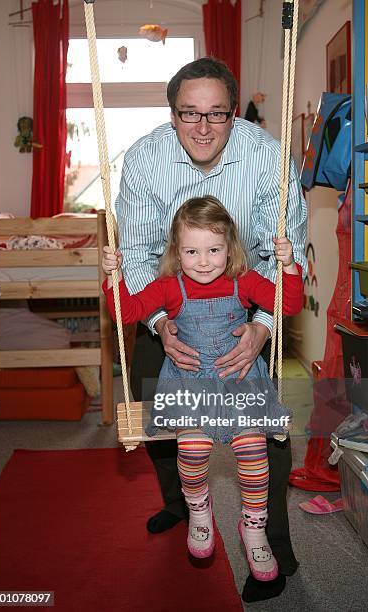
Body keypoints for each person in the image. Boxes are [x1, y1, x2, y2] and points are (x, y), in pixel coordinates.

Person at [114, 57, 307, 600]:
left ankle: (273, 547)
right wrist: (158, 322)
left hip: (245, 296)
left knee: (266, 432)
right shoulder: (147, 158)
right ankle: (183, 506)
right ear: (172, 115)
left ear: (233, 113)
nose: (202, 128)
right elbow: (134, 252)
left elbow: (282, 254)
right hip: (168, 297)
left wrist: (262, 328)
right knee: (160, 411)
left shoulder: (268, 158)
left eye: (216, 114)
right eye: (189, 114)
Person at [103, 196, 303, 582]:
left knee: (254, 455)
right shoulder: (169, 288)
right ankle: (198, 509)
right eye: (192, 251)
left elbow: (287, 304)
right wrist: (114, 276)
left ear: (230, 250)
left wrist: (289, 265)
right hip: (190, 383)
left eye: (214, 250)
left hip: (239, 381)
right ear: (178, 254)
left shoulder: (243, 280)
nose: (204, 261)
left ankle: (254, 527)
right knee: (192, 452)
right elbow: (124, 313)